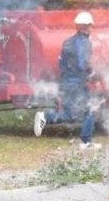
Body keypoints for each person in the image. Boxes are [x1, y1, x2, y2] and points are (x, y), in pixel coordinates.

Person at [33, 11, 99, 150]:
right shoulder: (85, 43)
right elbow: (83, 64)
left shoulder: (67, 42)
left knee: (69, 114)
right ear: (85, 27)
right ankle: (86, 142)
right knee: (90, 109)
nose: (91, 29)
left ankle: (45, 116)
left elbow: (62, 64)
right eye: (89, 26)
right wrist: (93, 74)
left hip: (65, 81)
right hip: (78, 83)